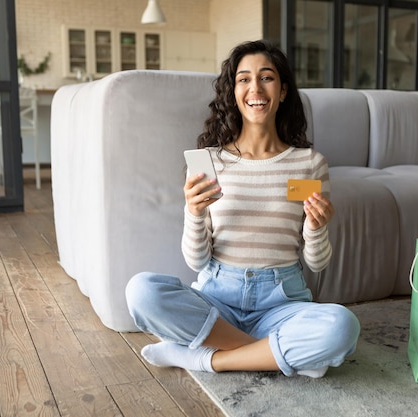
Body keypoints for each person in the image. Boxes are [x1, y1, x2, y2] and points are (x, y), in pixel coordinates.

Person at [125, 40, 360, 378]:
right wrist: (192, 213)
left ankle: (205, 358)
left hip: (282, 302)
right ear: (233, 91)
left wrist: (317, 226)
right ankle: (276, 353)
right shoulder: (210, 161)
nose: (255, 88)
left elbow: (317, 262)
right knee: (142, 292)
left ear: (282, 92)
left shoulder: (309, 163)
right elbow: (197, 262)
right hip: (217, 299)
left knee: (342, 327)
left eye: (266, 78)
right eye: (244, 79)